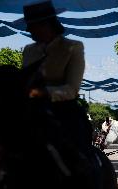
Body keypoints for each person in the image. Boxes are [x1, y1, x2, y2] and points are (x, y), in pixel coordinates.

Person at [21, 0, 93, 152]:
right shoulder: (28, 50)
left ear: (47, 25)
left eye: (32, 25)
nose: (28, 29)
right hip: (30, 108)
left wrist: (43, 92)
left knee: (77, 147)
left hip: (63, 110)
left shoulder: (73, 47)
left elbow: (72, 89)